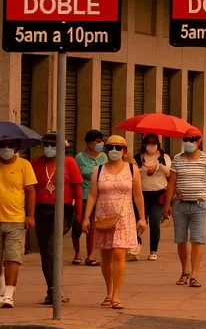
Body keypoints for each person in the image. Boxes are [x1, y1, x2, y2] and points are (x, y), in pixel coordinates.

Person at [81, 135, 146, 310]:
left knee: (119, 254)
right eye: (110, 148)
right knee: (106, 257)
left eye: (118, 148)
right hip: (104, 216)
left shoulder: (132, 169)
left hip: (125, 215)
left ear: (124, 150)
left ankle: (116, 296)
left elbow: (138, 195)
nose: (114, 151)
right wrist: (86, 217)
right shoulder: (99, 170)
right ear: (106, 150)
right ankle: (109, 292)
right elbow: (93, 194)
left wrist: (142, 218)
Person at [0, 136, 37, 309]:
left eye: (9, 145)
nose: (5, 148)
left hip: (16, 220)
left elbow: (31, 192)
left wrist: (30, 215)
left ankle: (9, 293)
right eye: (2, 145)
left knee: (13, 257)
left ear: (16, 147)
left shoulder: (24, 165)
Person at [32, 133, 83, 306]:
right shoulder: (36, 163)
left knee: (53, 247)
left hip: (63, 210)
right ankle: (51, 289)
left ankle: (56, 289)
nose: (49, 148)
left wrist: (79, 215)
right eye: (46, 145)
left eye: (53, 145)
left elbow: (77, 189)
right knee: (45, 252)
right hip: (41, 209)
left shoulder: (69, 162)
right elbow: (30, 190)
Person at [166, 130, 206, 288]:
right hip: (180, 205)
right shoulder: (177, 159)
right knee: (181, 240)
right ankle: (184, 272)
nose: (189, 142)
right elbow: (172, 183)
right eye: (186, 139)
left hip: (199, 205)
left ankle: (194, 275)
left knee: (197, 240)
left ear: (199, 140)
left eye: (193, 139)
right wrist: (167, 204)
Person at [132, 133, 171, 261]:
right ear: (144, 145)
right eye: (149, 143)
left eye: (154, 143)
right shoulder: (137, 158)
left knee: (154, 222)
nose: (151, 146)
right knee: (138, 222)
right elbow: (132, 172)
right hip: (141, 194)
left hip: (158, 194)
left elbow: (169, 173)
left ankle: (153, 250)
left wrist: (158, 167)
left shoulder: (164, 157)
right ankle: (135, 247)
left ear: (158, 145)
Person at [73, 130, 106, 266]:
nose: (100, 144)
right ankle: (77, 253)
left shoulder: (104, 157)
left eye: (101, 141)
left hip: (99, 196)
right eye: (97, 141)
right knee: (78, 225)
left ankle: (90, 256)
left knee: (92, 226)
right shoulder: (79, 158)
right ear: (89, 143)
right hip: (82, 195)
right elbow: (75, 177)